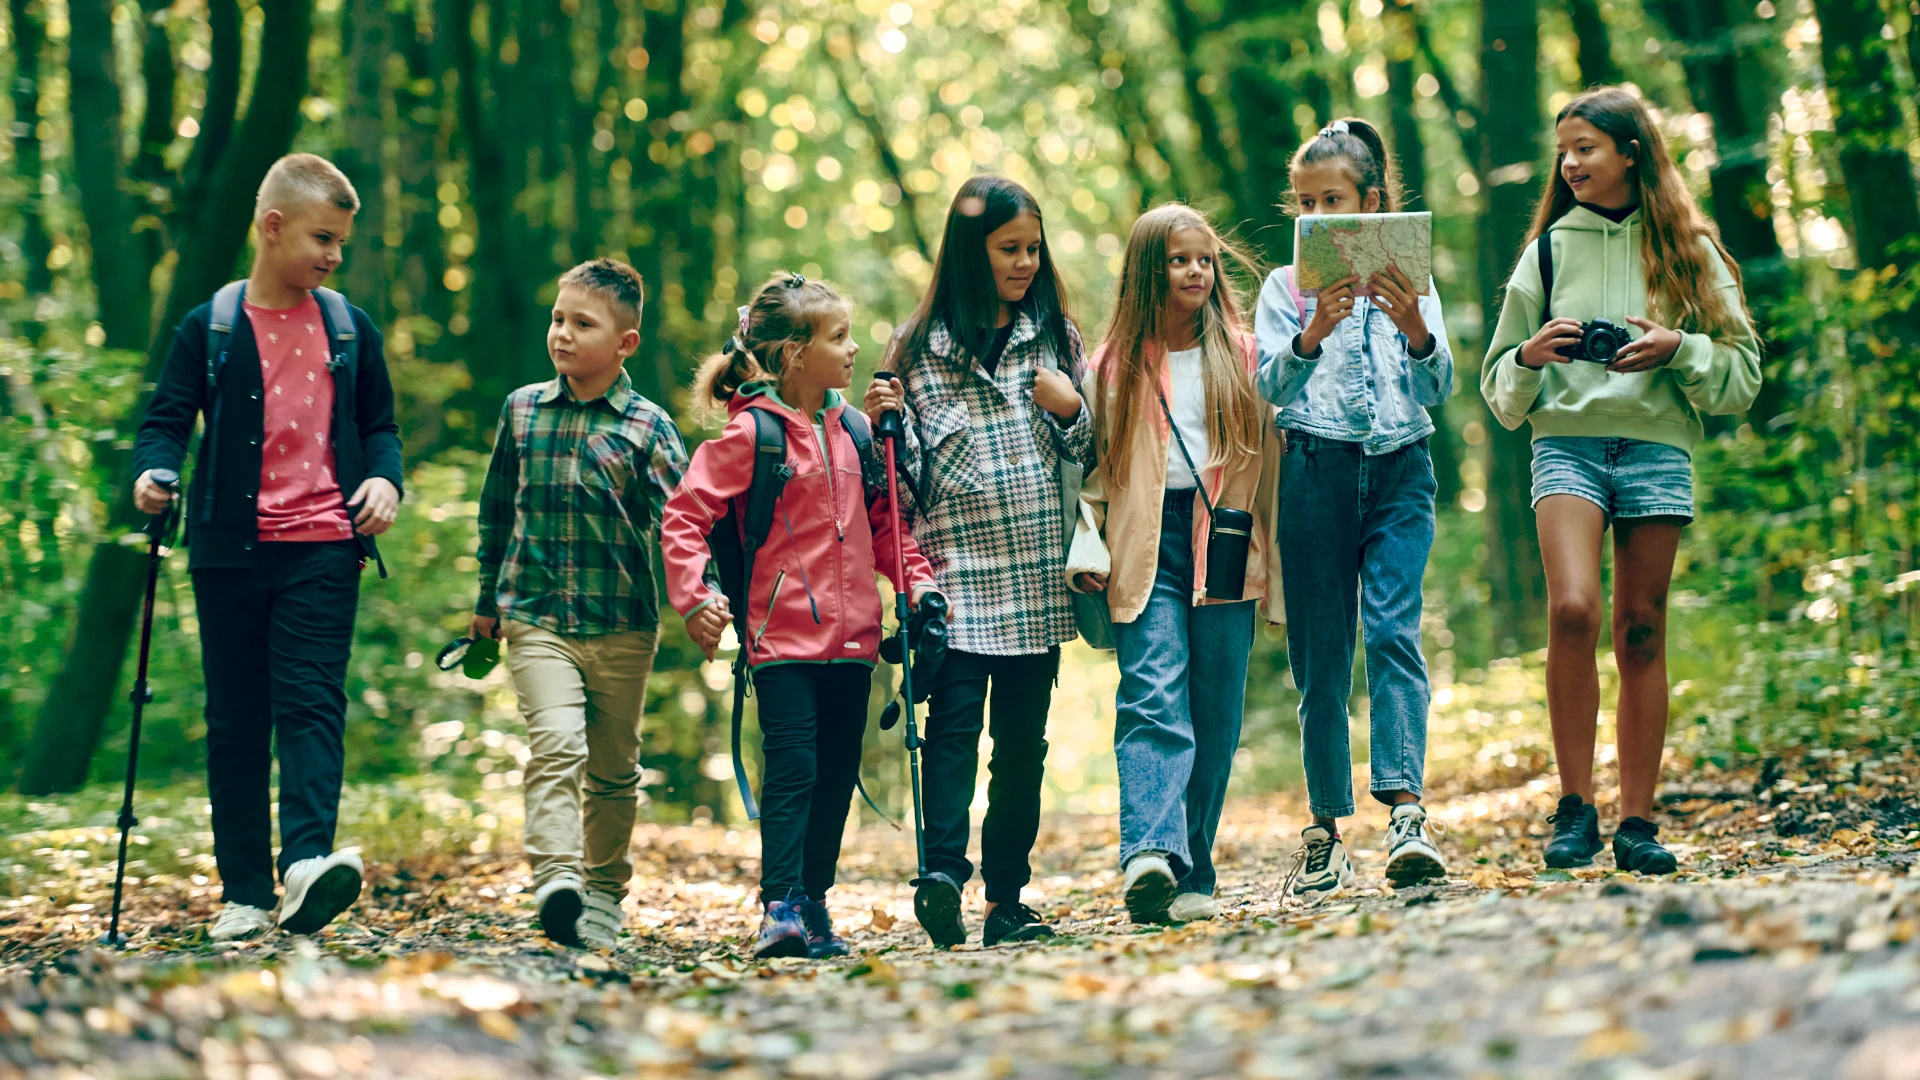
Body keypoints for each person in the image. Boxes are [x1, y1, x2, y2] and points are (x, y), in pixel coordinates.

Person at [1481, 87, 1760, 874]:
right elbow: (1498, 388)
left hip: (1655, 447)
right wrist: (1531, 357)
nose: (1569, 164)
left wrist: (1680, 349)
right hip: (1565, 444)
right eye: (1562, 151)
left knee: (1641, 629)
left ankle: (1638, 820)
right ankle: (1575, 809)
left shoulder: (1689, 249)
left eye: (1586, 149)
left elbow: (1742, 377)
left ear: (1631, 152)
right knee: (1573, 609)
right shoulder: (1544, 251)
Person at [132, 153, 403, 940]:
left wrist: (384, 483)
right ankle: (245, 891)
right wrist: (156, 471)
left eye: (342, 244)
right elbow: (165, 419)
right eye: (323, 238)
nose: (333, 256)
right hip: (228, 551)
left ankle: (307, 867)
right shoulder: (210, 326)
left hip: (324, 544)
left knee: (313, 704)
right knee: (237, 720)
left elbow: (379, 426)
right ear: (272, 226)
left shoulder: (348, 329)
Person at [661, 273, 938, 960]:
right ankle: (778, 906)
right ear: (792, 354)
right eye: (837, 338)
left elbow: (885, 525)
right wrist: (697, 597)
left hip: (853, 643)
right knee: (794, 770)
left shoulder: (854, 431)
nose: (852, 350)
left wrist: (919, 585)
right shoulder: (748, 436)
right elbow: (684, 516)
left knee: (839, 772)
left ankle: (814, 903)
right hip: (778, 638)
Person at [862, 175, 1093, 948]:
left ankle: (1006, 901)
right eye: (1008, 250)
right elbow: (902, 481)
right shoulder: (915, 352)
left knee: (1021, 749)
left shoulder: (1058, 337)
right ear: (972, 252)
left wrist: (1072, 412)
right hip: (954, 583)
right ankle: (940, 876)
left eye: (1033, 248)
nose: (1025, 263)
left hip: (1035, 581)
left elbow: (1094, 458)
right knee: (951, 734)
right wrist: (883, 428)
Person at [1255, 118, 1456, 901]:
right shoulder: (1284, 288)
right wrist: (1314, 332)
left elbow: (1439, 390)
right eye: (1304, 203)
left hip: (1402, 468)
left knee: (1394, 632)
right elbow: (1270, 387)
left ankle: (1407, 812)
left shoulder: (1419, 285)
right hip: (1315, 471)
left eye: (1331, 199)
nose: (1316, 216)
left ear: (1371, 202)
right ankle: (1325, 832)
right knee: (1323, 656)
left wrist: (1412, 329)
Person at [1066, 204, 1281, 924]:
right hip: (1142, 541)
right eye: (1178, 259)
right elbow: (1093, 469)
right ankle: (1149, 853)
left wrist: (1274, 560)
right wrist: (1086, 543)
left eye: (1205, 259)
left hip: (1222, 539)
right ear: (1147, 271)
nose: (1195, 271)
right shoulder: (1112, 367)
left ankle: (1193, 865)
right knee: (1152, 689)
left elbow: (1273, 462)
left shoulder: (1246, 357)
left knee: (1215, 709)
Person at [470, 258, 686, 949]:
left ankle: (602, 891)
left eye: (582, 324)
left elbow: (685, 524)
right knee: (557, 743)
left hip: (623, 624)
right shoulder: (523, 410)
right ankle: (558, 879)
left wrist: (709, 597)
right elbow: (496, 509)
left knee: (614, 769)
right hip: (535, 616)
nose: (562, 334)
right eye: (558, 318)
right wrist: (485, 600)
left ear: (625, 344)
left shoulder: (648, 429)